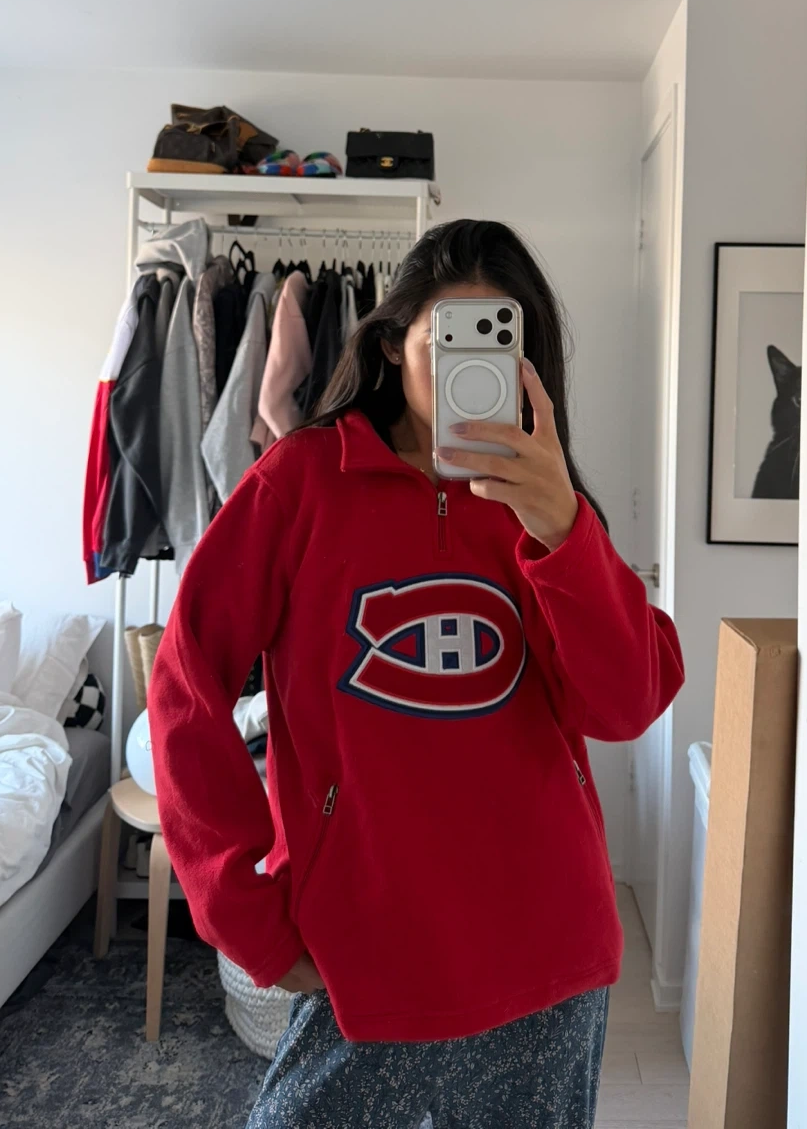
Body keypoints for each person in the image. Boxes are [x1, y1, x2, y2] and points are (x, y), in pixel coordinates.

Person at [149, 218, 684, 1129]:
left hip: (546, 961)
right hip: (364, 956)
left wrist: (563, 531)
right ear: (395, 342)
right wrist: (246, 915)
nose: (469, 368)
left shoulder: (548, 506)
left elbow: (627, 705)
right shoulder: (301, 483)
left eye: (499, 342)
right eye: (448, 338)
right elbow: (186, 690)